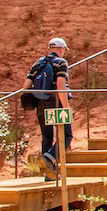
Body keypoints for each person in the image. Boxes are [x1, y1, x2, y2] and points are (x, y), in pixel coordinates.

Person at [26, 37, 73, 178]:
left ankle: (49, 174)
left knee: (47, 137)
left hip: (41, 103)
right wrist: (66, 107)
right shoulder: (61, 62)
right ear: (61, 49)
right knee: (67, 135)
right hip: (56, 103)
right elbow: (60, 86)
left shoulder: (38, 63)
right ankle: (49, 158)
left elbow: (26, 85)